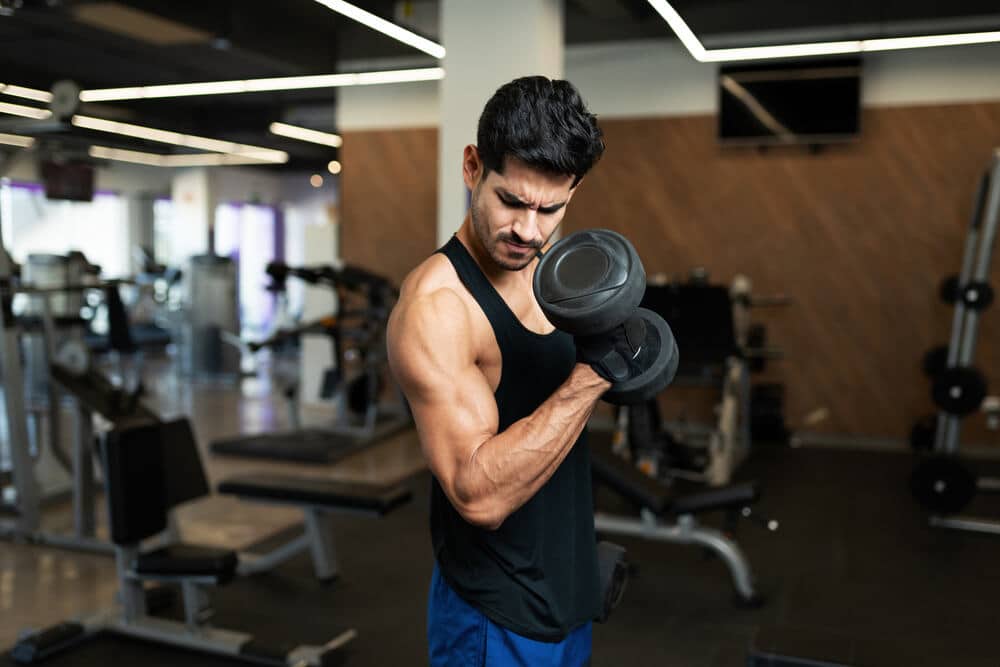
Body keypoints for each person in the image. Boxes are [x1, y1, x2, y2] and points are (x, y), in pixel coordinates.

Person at [387, 75, 608, 666]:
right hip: (493, 613)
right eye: (511, 201)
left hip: (567, 588)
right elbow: (476, 495)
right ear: (472, 168)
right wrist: (594, 374)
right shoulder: (438, 306)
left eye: (551, 208)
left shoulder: (549, 270)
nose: (529, 230)